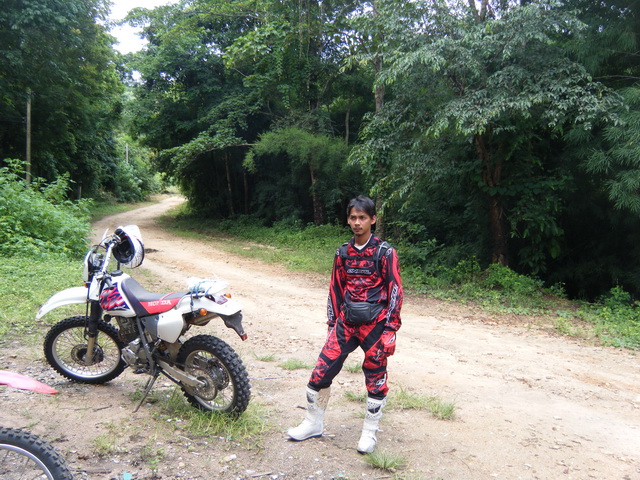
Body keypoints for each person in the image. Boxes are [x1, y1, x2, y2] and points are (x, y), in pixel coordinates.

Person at [287, 195, 403, 454]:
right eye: (353, 217)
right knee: (320, 372)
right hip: (345, 324)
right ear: (348, 220)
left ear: (373, 219)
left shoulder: (385, 252)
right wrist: (332, 324)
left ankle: (369, 432)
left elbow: (395, 290)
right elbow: (335, 290)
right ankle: (313, 423)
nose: (357, 222)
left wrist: (391, 329)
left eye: (363, 217)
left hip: (375, 325)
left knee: (376, 378)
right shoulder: (342, 252)